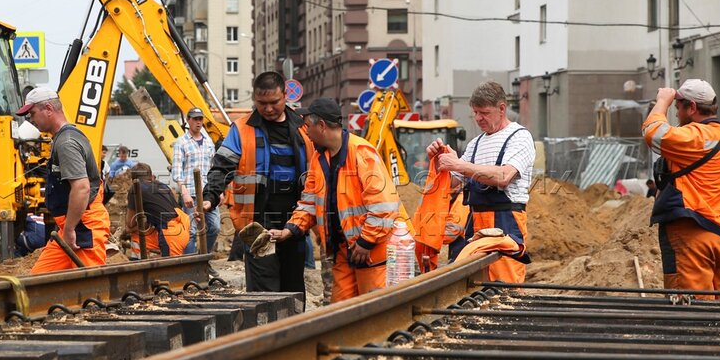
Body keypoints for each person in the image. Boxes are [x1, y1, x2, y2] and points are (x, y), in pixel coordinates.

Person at [269, 98, 405, 302]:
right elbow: (309, 202)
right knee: (342, 311)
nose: (305, 132)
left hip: (372, 252)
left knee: (375, 310)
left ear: (321, 126)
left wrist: (366, 241)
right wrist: (290, 230)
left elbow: (383, 206)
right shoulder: (319, 158)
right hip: (345, 251)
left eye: (308, 126)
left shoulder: (361, 153)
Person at [204, 70, 313, 301]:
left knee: (293, 286)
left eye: (274, 102)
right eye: (262, 103)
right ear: (254, 99)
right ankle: (267, 335)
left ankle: (293, 334)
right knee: (264, 291)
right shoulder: (242, 129)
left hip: (295, 221)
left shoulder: (304, 128)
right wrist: (211, 195)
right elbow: (222, 166)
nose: (269, 108)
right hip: (256, 223)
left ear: (285, 96)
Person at [642, 79, 720, 298]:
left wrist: (662, 100)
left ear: (692, 107)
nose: (676, 115)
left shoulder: (696, 137)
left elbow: (652, 132)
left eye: (678, 108)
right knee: (712, 306)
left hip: (692, 233)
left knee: (690, 310)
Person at [429, 81, 535, 283]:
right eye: (475, 112)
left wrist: (459, 165)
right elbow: (452, 183)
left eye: (484, 112)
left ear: (501, 108)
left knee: (505, 290)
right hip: (476, 226)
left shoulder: (519, 137)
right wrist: (438, 162)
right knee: (475, 289)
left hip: (506, 226)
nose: (478, 118)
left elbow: (503, 176)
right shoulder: (475, 144)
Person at [19, 86, 110, 273]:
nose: (31, 120)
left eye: (33, 113)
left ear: (49, 109)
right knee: (37, 281)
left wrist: (70, 230)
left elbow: (82, 188)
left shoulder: (66, 142)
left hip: (82, 225)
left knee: (91, 289)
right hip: (72, 225)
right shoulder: (63, 138)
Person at [172, 106, 218, 254]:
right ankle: (191, 265)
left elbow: (214, 168)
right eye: (195, 119)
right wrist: (183, 191)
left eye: (200, 119)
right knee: (191, 231)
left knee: (214, 227)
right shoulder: (181, 143)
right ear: (188, 120)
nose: (198, 122)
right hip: (190, 193)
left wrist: (219, 192)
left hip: (208, 194)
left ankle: (203, 258)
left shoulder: (209, 143)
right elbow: (177, 169)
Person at [126, 163, 191, 259]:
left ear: (133, 180)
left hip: (171, 235)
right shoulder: (162, 186)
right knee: (138, 237)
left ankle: (141, 267)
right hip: (182, 229)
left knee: (170, 271)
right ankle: (140, 268)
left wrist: (131, 229)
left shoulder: (135, 188)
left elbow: (130, 223)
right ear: (152, 177)